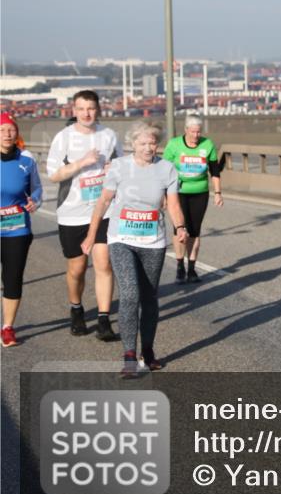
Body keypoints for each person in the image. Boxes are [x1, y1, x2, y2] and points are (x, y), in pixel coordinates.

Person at [82, 121, 187, 378]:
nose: (148, 147)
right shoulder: (119, 167)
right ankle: (129, 355)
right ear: (132, 145)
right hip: (121, 238)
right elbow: (104, 200)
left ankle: (147, 352)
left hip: (153, 241)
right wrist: (91, 234)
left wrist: (181, 227)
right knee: (129, 293)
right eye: (142, 143)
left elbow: (172, 203)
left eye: (152, 142)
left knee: (149, 298)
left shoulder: (167, 169)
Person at [46, 90, 122, 340]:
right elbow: (54, 174)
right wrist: (81, 162)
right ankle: (76, 309)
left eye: (91, 108)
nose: (87, 113)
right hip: (72, 212)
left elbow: (122, 166)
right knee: (77, 268)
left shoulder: (108, 135)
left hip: (103, 210)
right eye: (81, 109)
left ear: (98, 109)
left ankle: (103, 320)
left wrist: (115, 168)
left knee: (104, 263)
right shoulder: (64, 138)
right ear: (74, 111)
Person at [162, 115, 223, 284]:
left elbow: (215, 170)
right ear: (186, 130)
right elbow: (163, 170)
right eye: (193, 132)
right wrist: (163, 194)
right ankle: (180, 266)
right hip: (178, 191)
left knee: (195, 230)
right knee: (180, 228)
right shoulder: (174, 145)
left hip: (200, 192)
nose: (196, 135)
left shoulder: (207, 144)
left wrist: (218, 193)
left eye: (199, 132)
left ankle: (192, 269)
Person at [1, 113, 43, 347]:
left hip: (17, 229)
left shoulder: (26, 161)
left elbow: (36, 190)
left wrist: (34, 201)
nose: (7, 134)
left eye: (11, 130)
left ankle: (7, 327)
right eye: (2, 130)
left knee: (13, 278)